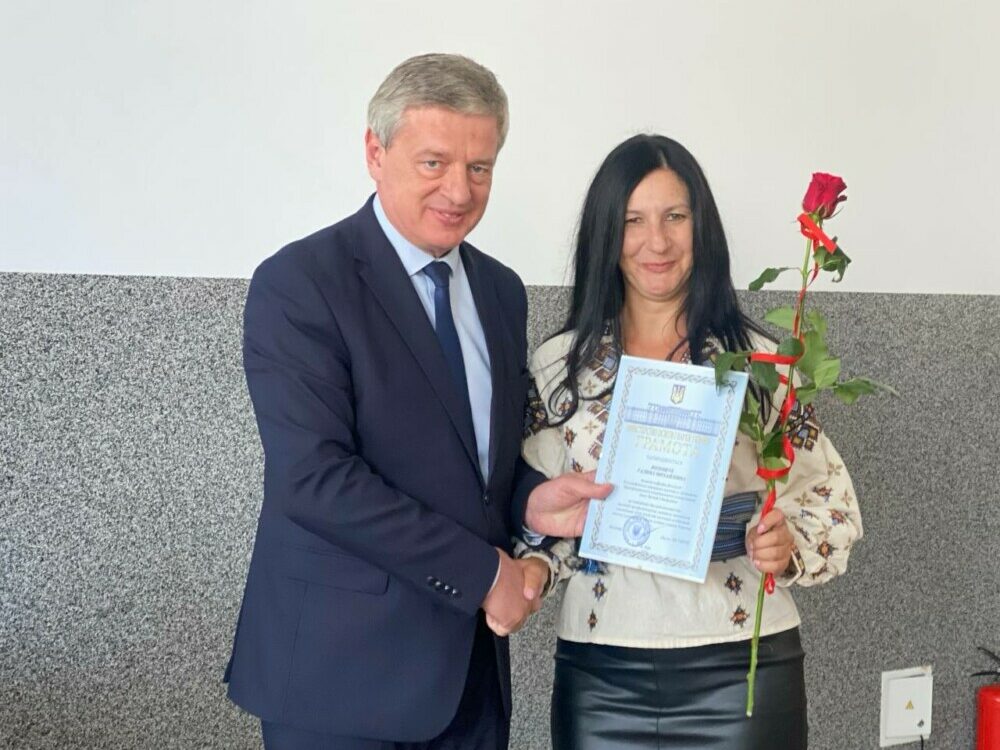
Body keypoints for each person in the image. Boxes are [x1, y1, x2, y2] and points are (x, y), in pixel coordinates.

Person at [223, 53, 606, 750]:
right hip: (337, 681)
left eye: (480, 167)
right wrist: (484, 574)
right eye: (434, 162)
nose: (459, 190)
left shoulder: (500, 291)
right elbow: (313, 480)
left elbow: (473, 459)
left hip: (467, 682)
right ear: (376, 152)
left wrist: (530, 500)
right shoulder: (300, 283)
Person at [518, 134, 863, 749]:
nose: (657, 242)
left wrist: (786, 542)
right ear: (605, 234)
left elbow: (826, 496)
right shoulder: (558, 367)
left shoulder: (760, 361)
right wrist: (533, 561)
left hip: (740, 666)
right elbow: (529, 511)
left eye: (675, 216)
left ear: (702, 227)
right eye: (633, 221)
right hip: (601, 670)